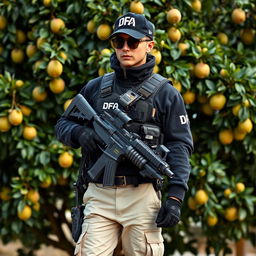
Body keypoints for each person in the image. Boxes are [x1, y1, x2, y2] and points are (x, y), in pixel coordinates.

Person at [55, 12, 193, 256]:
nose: (125, 48)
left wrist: (175, 197)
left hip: (142, 197)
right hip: (99, 194)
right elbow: (63, 125)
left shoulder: (166, 94)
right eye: (119, 42)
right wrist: (80, 134)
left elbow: (180, 146)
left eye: (133, 42)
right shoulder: (97, 87)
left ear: (149, 45)